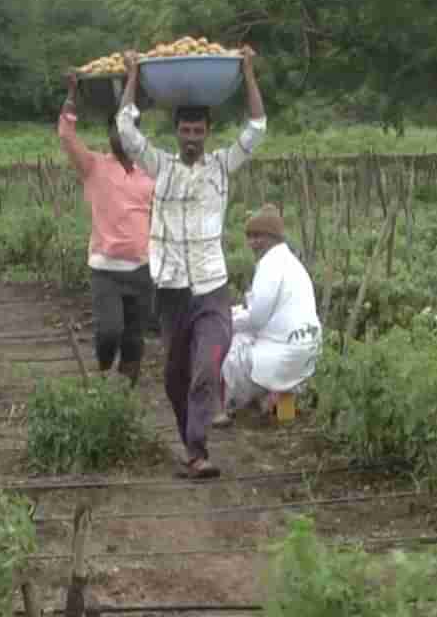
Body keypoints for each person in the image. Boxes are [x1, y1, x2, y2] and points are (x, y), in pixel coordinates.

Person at [116, 46, 267, 480]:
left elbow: (256, 127)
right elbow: (126, 128)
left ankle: (198, 451)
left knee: (206, 367)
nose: (191, 137)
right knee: (174, 376)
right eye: (185, 129)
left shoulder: (221, 167)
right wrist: (132, 77)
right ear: (176, 131)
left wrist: (249, 73)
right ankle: (189, 444)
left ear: (207, 132)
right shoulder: (159, 166)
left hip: (212, 289)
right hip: (170, 291)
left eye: (198, 130)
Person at [58, 73, 156, 385]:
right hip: (106, 269)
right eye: (114, 129)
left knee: (133, 341)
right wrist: (72, 94)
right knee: (109, 332)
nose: (119, 135)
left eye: (124, 129)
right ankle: (101, 379)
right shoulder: (95, 166)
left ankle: (124, 398)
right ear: (109, 134)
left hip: (142, 269)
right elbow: (66, 136)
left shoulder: (150, 171)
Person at [214, 204, 322, 427]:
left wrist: (225, 321)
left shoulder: (270, 266)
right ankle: (281, 411)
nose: (252, 242)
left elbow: (255, 319)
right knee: (257, 342)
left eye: (258, 236)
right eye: (249, 236)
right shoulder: (290, 262)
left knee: (227, 345)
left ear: (273, 237)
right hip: (307, 349)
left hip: (285, 353)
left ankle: (225, 409)